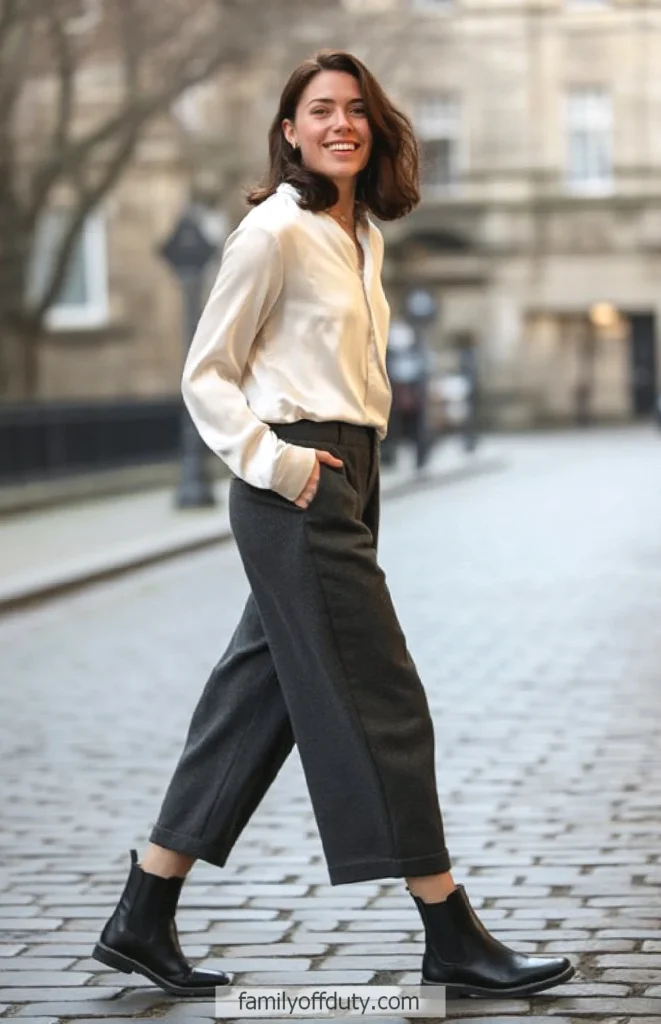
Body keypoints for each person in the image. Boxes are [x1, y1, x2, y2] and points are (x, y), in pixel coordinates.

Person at [93, 49, 575, 1000]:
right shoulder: (271, 231)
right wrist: (279, 463)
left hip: (347, 472)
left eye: (355, 109)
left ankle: (142, 912)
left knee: (254, 699)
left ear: (375, 124)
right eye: (319, 111)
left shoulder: (360, 236)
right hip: (296, 479)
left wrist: (353, 464)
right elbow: (207, 373)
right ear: (289, 131)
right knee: (380, 692)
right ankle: (448, 927)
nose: (339, 123)